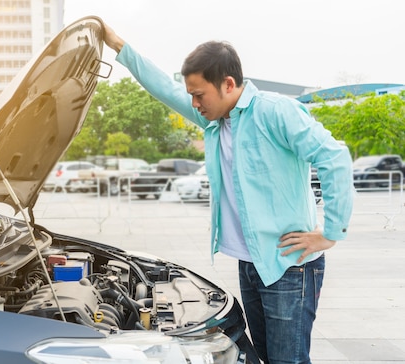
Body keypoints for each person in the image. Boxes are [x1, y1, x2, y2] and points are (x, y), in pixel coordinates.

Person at [102, 24, 354, 364]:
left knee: (288, 360)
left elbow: (334, 156)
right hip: (250, 263)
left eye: (199, 94)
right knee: (265, 356)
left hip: (288, 266)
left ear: (228, 84)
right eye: (191, 94)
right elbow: (164, 87)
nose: (193, 103)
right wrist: (117, 43)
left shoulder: (276, 111)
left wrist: (330, 233)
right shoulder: (215, 117)